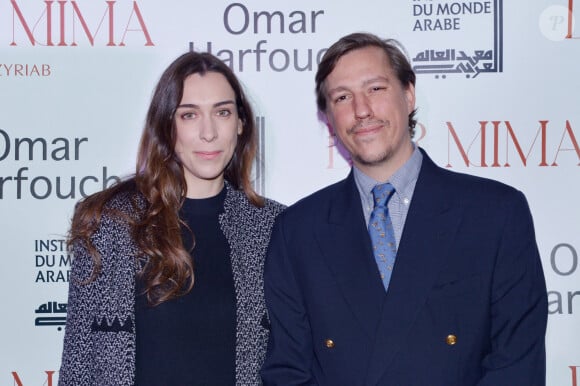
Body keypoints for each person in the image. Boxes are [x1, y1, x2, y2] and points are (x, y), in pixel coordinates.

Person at [261, 32, 547, 386]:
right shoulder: (298, 231)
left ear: (409, 94)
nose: (361, 110)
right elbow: (288, 372)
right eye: (342, 97)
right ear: (329, 116)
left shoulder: (495, 213)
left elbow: (516, 366)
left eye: (376, 89)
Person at [58, 51, 285, 386]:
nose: (208, 132)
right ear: (166, 125)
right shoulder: (112, 223)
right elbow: (78, 364)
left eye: (222, 112)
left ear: (240, 123)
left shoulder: (273, 228)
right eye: (189, 115)